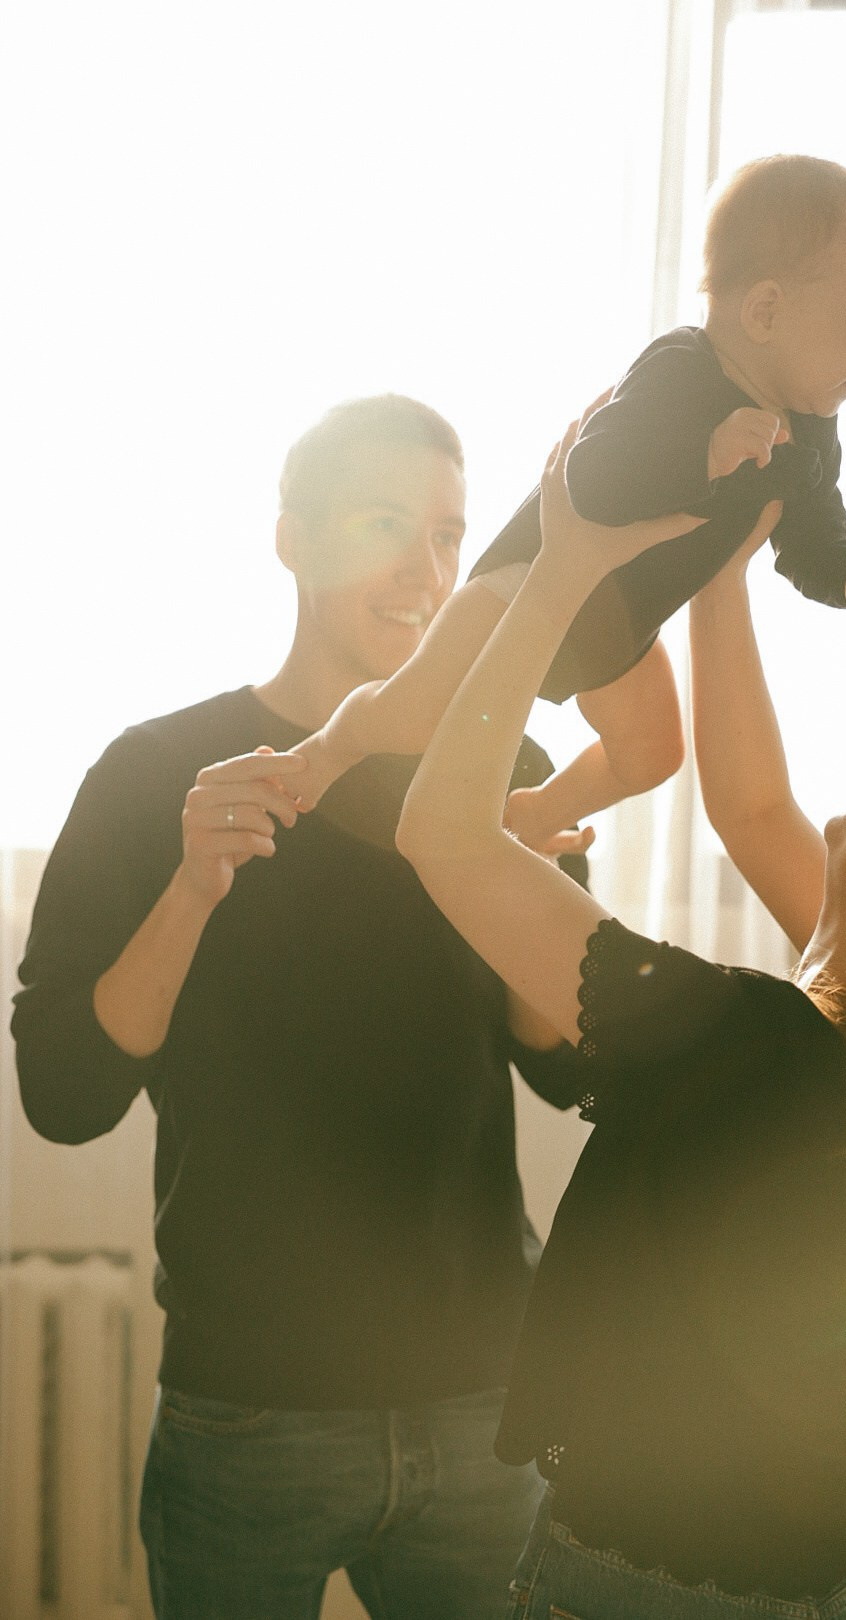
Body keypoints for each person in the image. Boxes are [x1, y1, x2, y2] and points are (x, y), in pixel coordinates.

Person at [391, 420, 846, 1619]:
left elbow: (440, 834)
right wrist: (723, 570)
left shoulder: (754, 1044)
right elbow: (754, 806)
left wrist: (558, 572)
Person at [11, 395, 591, 1620]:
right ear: (292, 538)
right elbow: (64, 1093)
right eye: (386, 524)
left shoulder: (508, 769)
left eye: (448, 534)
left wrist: (521, 883)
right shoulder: (150, 772)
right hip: (249, 1412)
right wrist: (192, 886)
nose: (426, 570)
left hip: (483, 1404)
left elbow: (567, 1069)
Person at [294, 155, 846, 853]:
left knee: (653, 753)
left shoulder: (810, 429)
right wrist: (705, 454)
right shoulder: (681, 370)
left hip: (619, 624)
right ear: (766, 311)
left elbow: (815, 528)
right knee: (411, 717)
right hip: (525, 590)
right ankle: (327, 747)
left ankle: (536, 813)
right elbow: (593, 477)